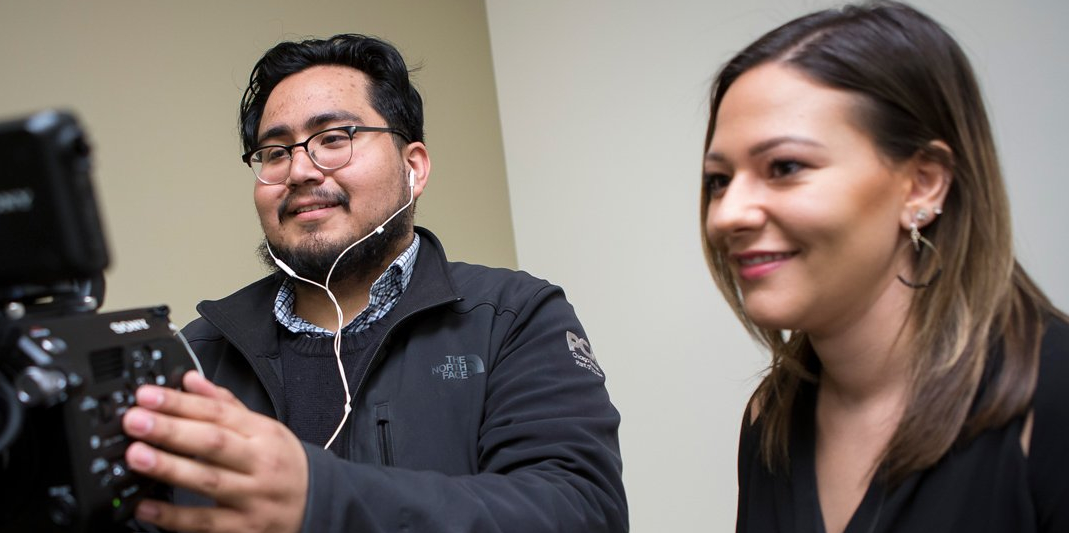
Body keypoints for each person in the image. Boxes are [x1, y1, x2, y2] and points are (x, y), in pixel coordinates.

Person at [119, 34, 627, 532]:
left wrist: (322, 497)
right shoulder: (196, 355)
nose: (298, 169)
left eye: (334, 139)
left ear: (413, 168)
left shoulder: (514, 317)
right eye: (274, 152)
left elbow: (579, 511)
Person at [700, 2, 1069, 532]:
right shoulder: (772, 419)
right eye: (719, 179)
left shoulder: (1050, 398)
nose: (728, 214)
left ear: (922, 184)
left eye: (784, 167)